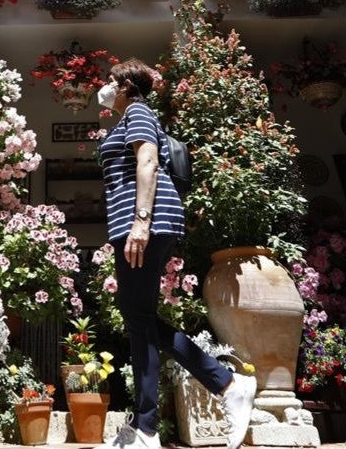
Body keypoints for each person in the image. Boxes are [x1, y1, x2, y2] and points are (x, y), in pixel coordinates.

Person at [94, 58, 256, 449]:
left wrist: (141, 222)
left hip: (146, 222)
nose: (103, 86)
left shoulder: (137, 110)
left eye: (109, 81)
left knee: (137, 315)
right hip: (137, 223)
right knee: (140, 317)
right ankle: (154, 422)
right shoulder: (129, 116)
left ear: (126, 85)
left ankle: (222, 385)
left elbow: (147, 162)